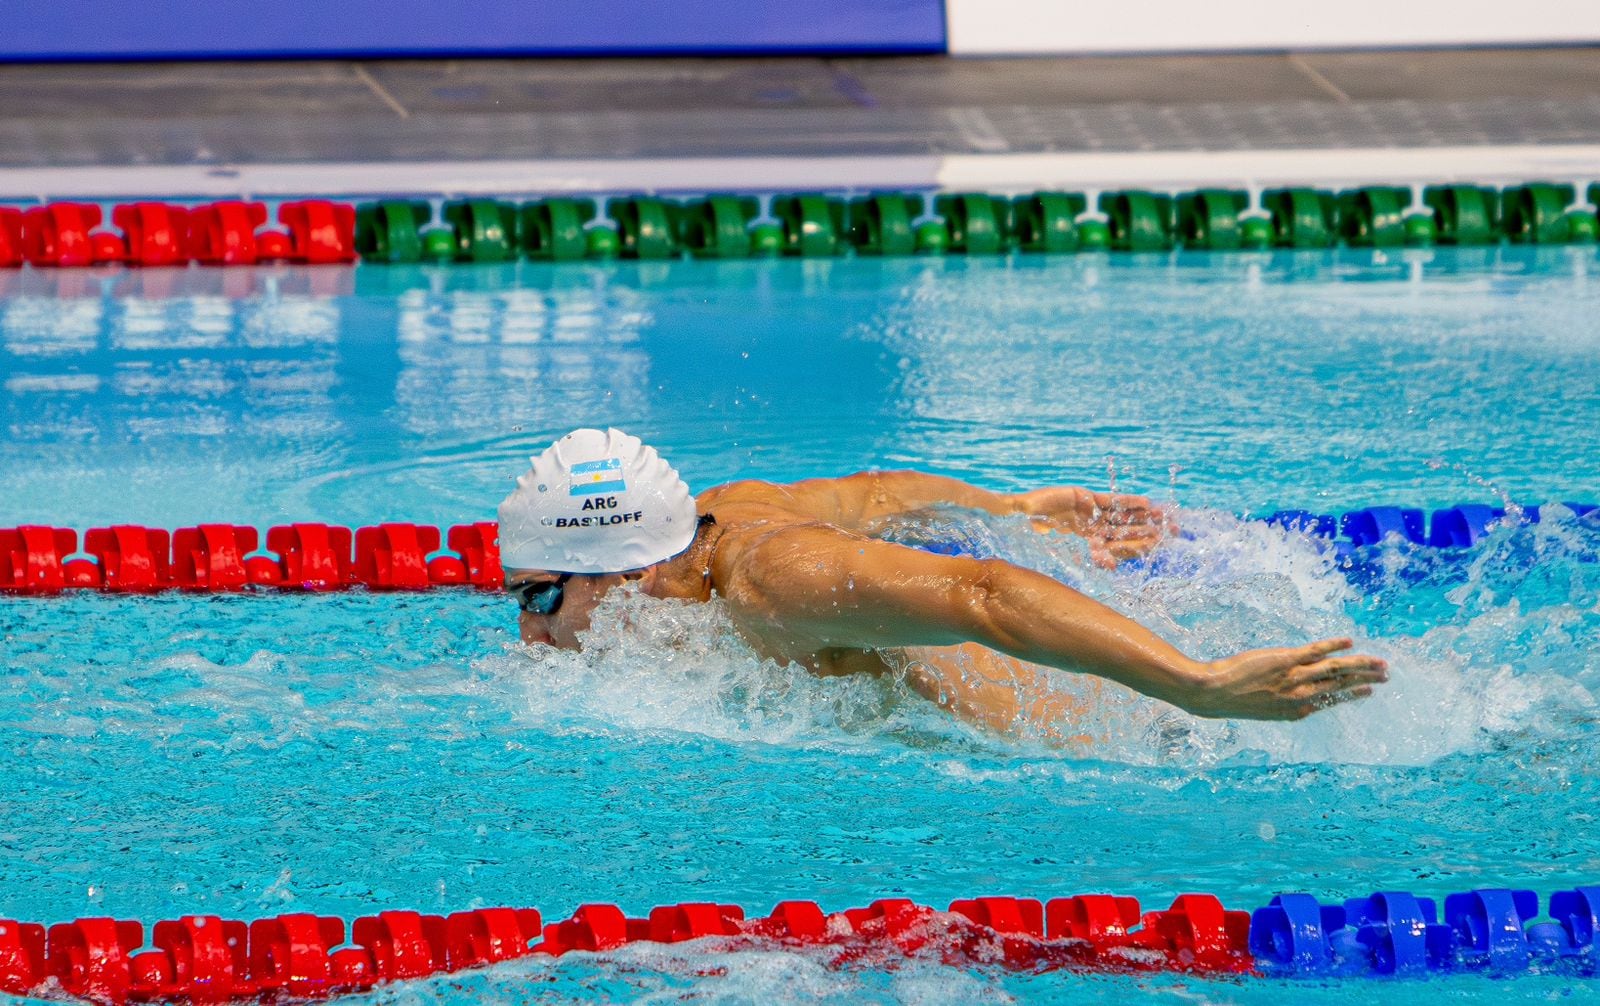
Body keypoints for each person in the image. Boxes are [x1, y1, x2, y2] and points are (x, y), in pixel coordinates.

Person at [498, 428, 1387, 739]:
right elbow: (878, 496)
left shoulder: (771, 581)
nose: (530, 634)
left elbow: (984, 594)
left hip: (1136, 742)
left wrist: (1199, 687)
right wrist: (1012, 507)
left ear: (621, 572)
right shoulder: (730, 509)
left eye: (540, 598)